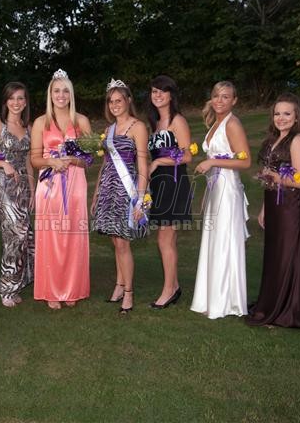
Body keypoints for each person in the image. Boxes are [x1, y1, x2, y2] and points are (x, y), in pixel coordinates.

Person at [246, 93, 300, 328]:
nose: (281, 118)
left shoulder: (298, 140)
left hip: (290, 206)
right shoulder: (272, 139)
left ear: (296, 117)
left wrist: (275, 176)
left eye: (287, 113)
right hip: (273, 203)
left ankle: (286, 312)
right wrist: (264, 208)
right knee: (274, 256)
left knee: (287, 256)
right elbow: (269, 179)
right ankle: (271, 302)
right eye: (277, 113)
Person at [30, 69, 91, 309]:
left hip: (76, 183)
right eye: (56, 91)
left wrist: (74, 160)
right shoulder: (40, 123)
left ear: (71, 94)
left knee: (74, 235)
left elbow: (89, 159)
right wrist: (51, 162)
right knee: (51, 236)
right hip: (50, 184)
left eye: (65, 91)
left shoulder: (81, 121)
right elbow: (35, 160)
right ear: (50, 94)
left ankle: (73, 287)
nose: (61, 95)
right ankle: (51, 290)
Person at [191, 81, 251, 319]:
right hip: (216, 188)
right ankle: (211, 298)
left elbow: (246, 162)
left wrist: (212, 161)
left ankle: (226, 302)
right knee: (214, 241)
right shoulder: (216, 122)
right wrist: (207, 191)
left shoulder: (232, 124)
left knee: (225, 242)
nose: (219, 100)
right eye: (216, 95)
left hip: (227, 190)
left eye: (226, 97)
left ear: (234, 100)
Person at [91, 79, 149, 314]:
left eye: (119, 100)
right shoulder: (109, 130)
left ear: (128, 100)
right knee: (115, 241)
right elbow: (106, 163)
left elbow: (143, 166)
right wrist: (96, 193)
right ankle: (119, 285)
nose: (114, 105)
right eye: (110, 101)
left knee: (123, 242)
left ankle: (129, 293)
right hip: (108, 189)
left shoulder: (138, 127)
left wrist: (140, 200)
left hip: (127, 191)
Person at [0, 82, 35, 308]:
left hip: (23, 186)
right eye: (12, 98)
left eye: (20, 98)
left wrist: (32, 190)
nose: (16, 102)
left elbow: (30, 162)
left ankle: (17, 282)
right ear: (5, 101)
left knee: (24, 235)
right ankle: (7, 288)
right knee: (14, 235)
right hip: (3, 184)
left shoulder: (29, 127)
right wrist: (3, 164)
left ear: (26, 102)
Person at [146, 75, 194, 309]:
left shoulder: (178, 121)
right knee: (167, 240)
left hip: (174, 183)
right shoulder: (155, 123)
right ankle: (173, 286)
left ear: (171, 95)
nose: (157, 95)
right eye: (154, 91)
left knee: (164, 239)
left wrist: (157, 162)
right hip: (159, 185)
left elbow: (187, 155)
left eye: (162, 91)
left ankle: (168, 291)